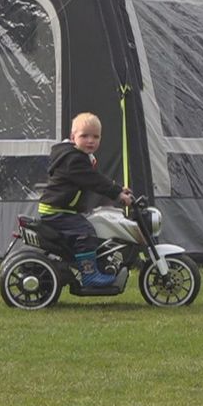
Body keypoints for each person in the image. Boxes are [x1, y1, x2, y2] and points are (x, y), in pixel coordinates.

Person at [38, 112, 133, 287]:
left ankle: (95, 264)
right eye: (85, 136)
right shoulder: (73, 160)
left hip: (62, 209)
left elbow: (95, 178)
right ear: (73, 137)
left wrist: (118, 189)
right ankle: (89, 274)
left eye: (96, 137)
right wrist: (117, 194)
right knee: (85, 232)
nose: (91, 140)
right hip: (57, 212)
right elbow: (94, 180)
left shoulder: (76, 156)